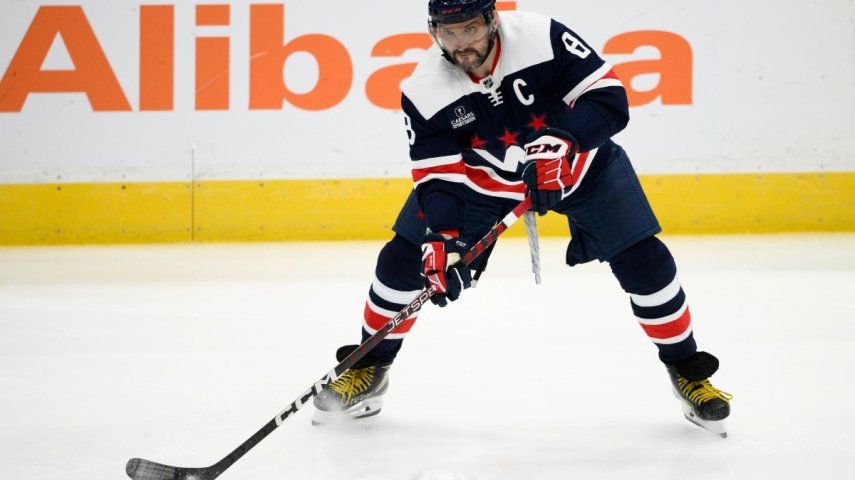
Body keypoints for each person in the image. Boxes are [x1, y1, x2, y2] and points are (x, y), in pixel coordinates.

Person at [312, 0, 732, 436]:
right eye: (447, 31)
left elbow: (610, 98)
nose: (461, 44)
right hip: (482, 184)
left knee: (647, 262)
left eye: (470, 28)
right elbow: (437, 176)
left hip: (583, 168)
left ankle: (688, 369)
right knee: (403, 260)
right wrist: (441, 234)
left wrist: (565, 140)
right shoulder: (425, 88)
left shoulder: (541, 38)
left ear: (493, 20)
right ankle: (369, 367)